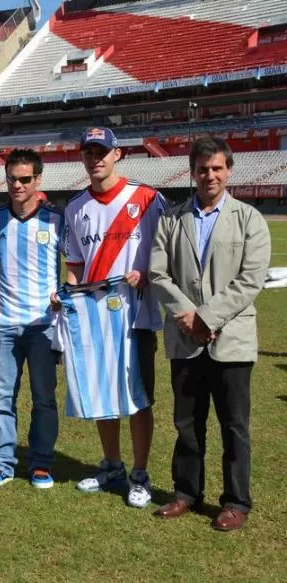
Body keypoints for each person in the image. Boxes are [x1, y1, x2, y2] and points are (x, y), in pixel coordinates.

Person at [150, 137, 270, 531]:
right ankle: (186, 493)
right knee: (187, 423)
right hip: (185, 340)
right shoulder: (172, 218)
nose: (210, 175)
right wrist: (189, 317)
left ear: (229, 171)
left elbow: (250, 280)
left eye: (217, 168)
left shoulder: (249, 218)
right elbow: (157, 273)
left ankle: (236, 501)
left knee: (234, 425)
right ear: (192, 171)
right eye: (203, 169)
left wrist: (205, 318)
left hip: (230, 341)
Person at [60, 127, 167, 508]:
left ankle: (140, 473)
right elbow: (74, 267)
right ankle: (112, 466)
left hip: (136, 317)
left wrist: (148, 273)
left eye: (102, 151)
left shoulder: (147, 198)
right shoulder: (75, 208)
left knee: (138, 398)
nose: (96, 159)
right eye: (89, 152)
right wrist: (66, 292)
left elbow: (166, 254)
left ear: (117, 154)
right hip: (94, 320)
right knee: (103, 392)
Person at [0, 149, 61, 490]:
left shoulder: (56, 220)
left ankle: (40, 463)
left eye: (25, 179)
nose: (17, 185)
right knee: (3, 398)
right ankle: (1, 462)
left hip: (43, 326)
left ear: (37, 180)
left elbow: (76, 266)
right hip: (5, 326)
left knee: (43, 397)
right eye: (12, 178)